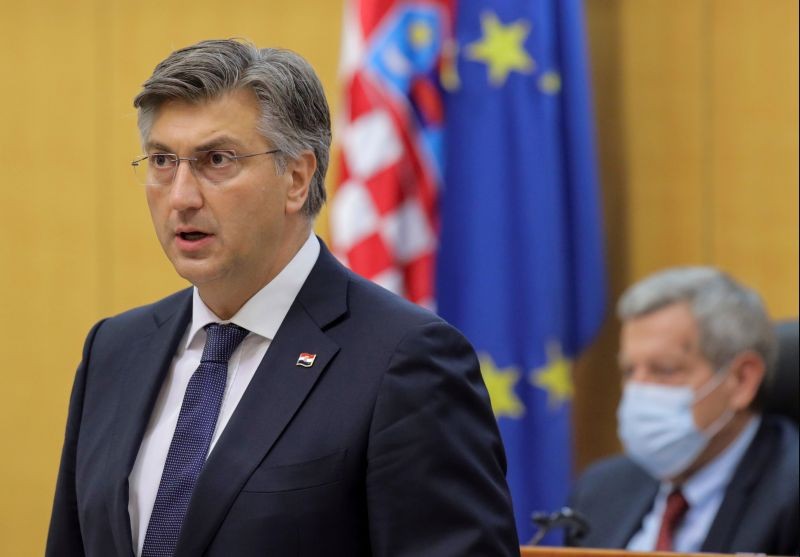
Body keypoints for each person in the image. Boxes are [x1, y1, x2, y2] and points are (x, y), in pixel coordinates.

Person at [46, 39, 519, 557]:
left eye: (216, 160)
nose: (180, 195)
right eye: (162, 160)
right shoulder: (114, 350)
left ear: (297, 178)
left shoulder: (405, 361)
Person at [566, 267, 798, 554]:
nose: (638, 391)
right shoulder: (599, 491)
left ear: (742, 380)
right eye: (628, 371)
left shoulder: (790, 494)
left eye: (664, 370)